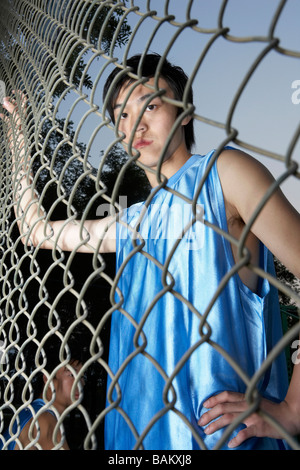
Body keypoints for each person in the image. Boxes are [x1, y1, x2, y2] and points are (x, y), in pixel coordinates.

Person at [1, 53, 300, 450]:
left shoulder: (223, 174)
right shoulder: (131, 222)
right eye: (121, 115)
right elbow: (36, 231)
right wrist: (17, 137)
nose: (135, 125)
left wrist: (293, 410)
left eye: (151, 106)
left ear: (186, 111)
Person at [0, 351, 85, 450]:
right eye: (72, 374)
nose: (81, 382)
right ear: (48, 379)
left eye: (83, 376)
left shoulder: (32, 411)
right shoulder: (45, 421)